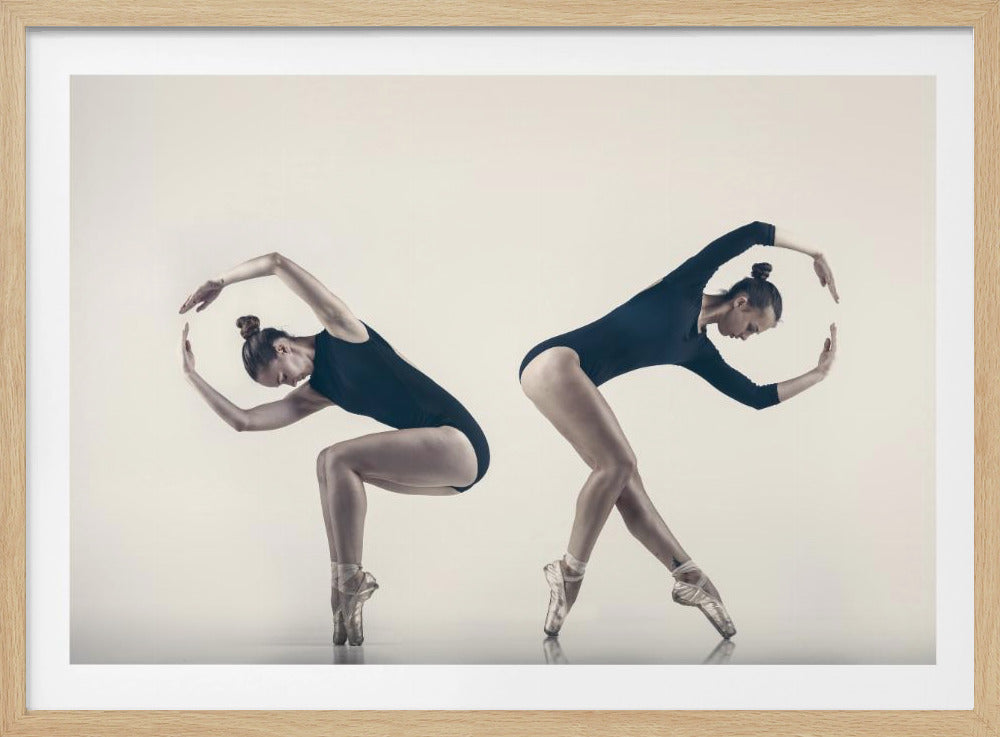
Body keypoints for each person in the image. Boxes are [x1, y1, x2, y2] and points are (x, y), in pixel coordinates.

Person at [518, 221, 838, 639]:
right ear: (741, 302)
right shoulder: (683, 287)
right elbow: (753, 231)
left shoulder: (698, 350)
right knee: (618, 464)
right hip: (556, 361)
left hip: (563, 378)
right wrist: (814, 251)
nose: (747, 338)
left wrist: (818, 374)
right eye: (753, 328)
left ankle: (689, 576)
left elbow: (756, 396)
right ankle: (569, 575)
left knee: (626, 485)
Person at [179, 252, 490, 646]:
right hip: (445, 471)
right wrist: (192, 377)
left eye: (281, 378)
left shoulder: (342, 330)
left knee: (338, 457)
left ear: (282, 349)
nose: (289, 386)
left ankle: (351, 579)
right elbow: (245, 420)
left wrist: (220, 281)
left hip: (459, 443)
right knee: (326, 463)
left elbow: (277, 263)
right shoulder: (319, 391)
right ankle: (342, 585)